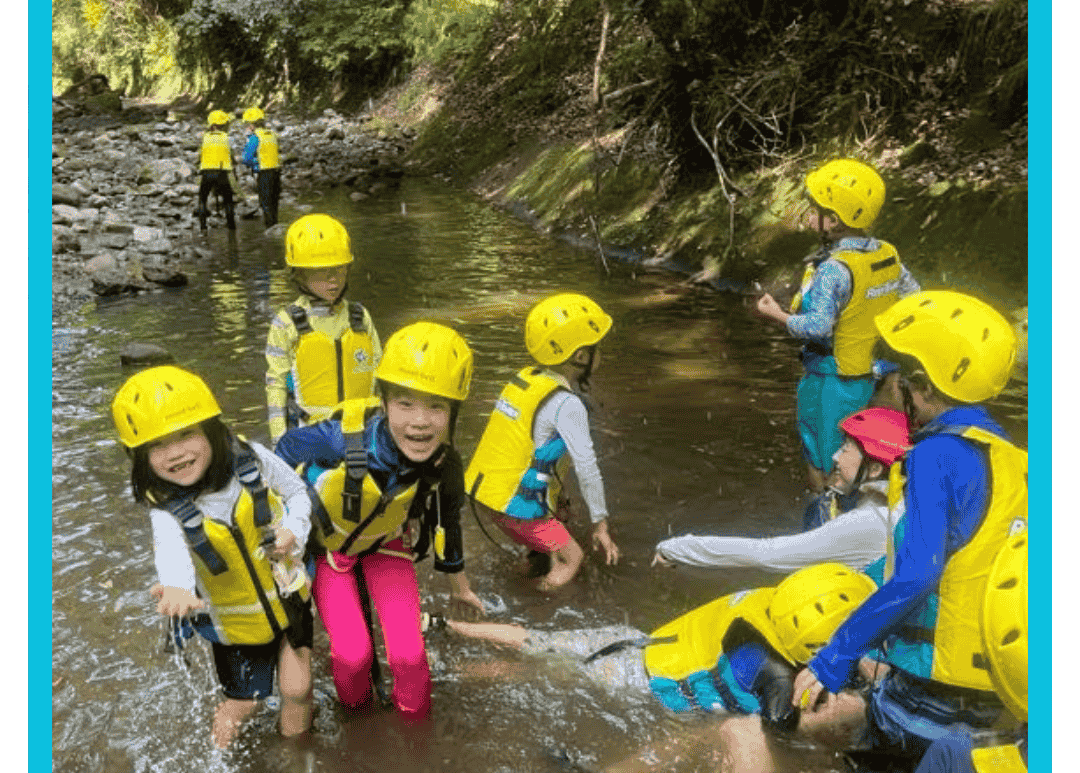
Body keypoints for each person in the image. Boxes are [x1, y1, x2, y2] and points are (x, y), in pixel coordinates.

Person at [790, 291, 1026, 773]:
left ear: (919, 385)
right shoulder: (1016, 460)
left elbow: (918, 574)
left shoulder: (934, 455)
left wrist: (834, 657)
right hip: (1006, 687)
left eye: (896, 374)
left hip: (931, 688)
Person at [445, 562, 878, 773]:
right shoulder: (774, 672)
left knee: (539, 646)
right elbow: (781, 722)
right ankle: (456, 671)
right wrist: (854, 706)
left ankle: (450, 628)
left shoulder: (775, 603)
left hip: (637, 644)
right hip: (632, 678)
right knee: (529, 670)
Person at [276, 322, 485, 720]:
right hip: (331, 549)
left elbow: (449, 524)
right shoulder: (340, 440)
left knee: (408, 656)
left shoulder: (447, 466)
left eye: (436, 406)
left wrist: (461, 588)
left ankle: (415, 736)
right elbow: (282, 452)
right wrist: (283, 526)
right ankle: (358, 723)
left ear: (453, 412)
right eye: (405, 404)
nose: (420, 422)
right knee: (353, 655)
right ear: (384, 402)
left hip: (386, 544)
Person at [111, 366, 314, 749]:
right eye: (157, 445)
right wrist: (177, 588)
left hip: (288, 597)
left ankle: (296, 759)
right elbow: (172, 554)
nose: (175, 453)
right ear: (138, 456)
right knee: (240, 706)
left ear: (211, 428)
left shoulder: (252, 460)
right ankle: (221, 769)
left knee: (298, 689)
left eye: (186, 434)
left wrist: (293, 530)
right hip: (236, 627)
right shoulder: (166, 510)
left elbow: (297, 493)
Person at [756, 159, 920, 492]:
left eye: (816, 209)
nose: (809, 214)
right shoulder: (888, 254)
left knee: (825, 462)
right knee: (865, 460)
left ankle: (821, 529)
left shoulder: (834, 269)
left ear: (834, 220)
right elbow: (914, 298)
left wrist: (776, 314)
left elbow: (818, 327)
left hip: (832, 378)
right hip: (877, 375)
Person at [464, 293, 620, 591]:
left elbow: (524, 448)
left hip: (485, 495)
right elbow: (588, 469)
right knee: (571, 558)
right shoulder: (567, 405)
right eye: (596, 347)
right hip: (512, 505)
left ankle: (517, 580)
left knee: (552, 532)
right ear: (581, 356)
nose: (601, 354)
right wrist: (601, 526)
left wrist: (559, 501)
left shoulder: (527, 379)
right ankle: (538, 607)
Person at [889, 535, 1028, 773]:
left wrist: (839, 654)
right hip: (983, 698)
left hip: (928, 699)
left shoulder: (955, 765)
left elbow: (916, 574)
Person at [653, 407, 910, 573]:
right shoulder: (905, 501)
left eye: (845, 450)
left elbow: (767, 554)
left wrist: (678, 548)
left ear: (875, 469)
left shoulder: (869, 522)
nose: (834, 457)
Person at [265, 214, 382, 445]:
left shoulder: (359, 317)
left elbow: (380, 371)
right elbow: (275, 385)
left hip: (364, 429)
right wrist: (280, 441)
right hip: (314, 434)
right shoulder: (286, 323)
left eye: (339, 269)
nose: (333, 279)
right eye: (321, 271)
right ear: (299, 273)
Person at [241, 106, 282, 228]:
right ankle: (276, 226)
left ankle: (270, 231)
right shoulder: (273, 134)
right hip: (276, 172)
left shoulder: (254, 137)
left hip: (264, 173)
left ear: (252, 124)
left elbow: (247, 159)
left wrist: (252, 164)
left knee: (266, 203)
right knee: (274, 203)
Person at [197, 110, 236, 231]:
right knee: (228, 201)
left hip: (207, 172)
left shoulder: (205, 137)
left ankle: (203, 227)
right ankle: (231, 227)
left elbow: (200, 155)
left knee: (202, 199)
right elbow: (231, 155)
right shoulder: (226, 137)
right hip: (222, 173)